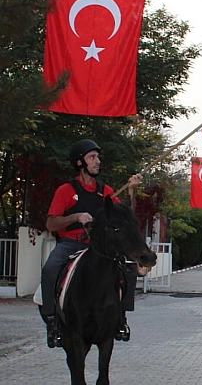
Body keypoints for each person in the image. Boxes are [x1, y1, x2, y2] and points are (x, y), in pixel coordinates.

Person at [40, 139, 143, 348]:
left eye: (98, 157)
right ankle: (53, 323)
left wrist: (131, 191)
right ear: (80, 163)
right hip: (70, 244)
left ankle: (121, 320)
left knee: (128, 270)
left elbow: (125, 216)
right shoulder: (66, 190)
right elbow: (51, 223)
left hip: (97, 248)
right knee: (50, 270)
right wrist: (75, 217)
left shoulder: (106, 191)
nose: (98, 161)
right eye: (92, 157)